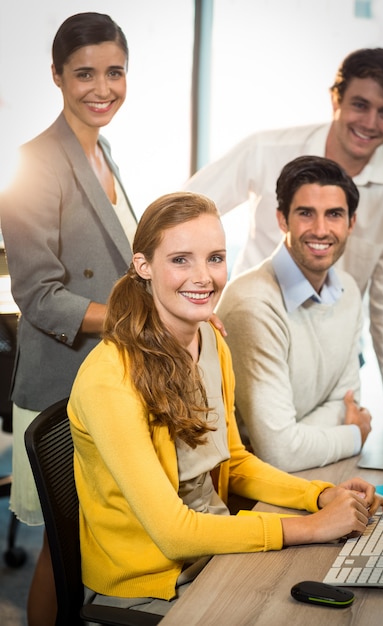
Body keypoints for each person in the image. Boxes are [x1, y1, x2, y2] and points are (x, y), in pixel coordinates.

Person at [67, 191, 383, 617]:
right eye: (181, 259)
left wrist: (321, 495)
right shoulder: (109, 378)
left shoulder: (211, 342)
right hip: (154, 586)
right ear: (144, 266)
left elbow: (234, 460)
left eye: (215, 258)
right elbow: (173, 534)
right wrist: (309, 527)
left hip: (217, 552)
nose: (204, 277)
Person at [184, 47, 383, 430]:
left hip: (334, 345)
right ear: (335, 99)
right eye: (360, 105)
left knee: (330, 449)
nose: (370, 122)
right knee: (257, 442)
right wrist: (196, 298)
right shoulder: (265, 149)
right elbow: (186, 213)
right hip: (255, 330)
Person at [0, 12, 135, 626]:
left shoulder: (103, 150)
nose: (101, 88)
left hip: (103, 379)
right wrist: (140, 323)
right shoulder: (35, 163)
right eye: (84, 74)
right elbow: (38, 294)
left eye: (114, 72)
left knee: (90, 543)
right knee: (62, 549)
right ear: (56, 76)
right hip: (61, 384)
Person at [216, 156, 372, 472]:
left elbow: (345, 403)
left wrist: (298, 436)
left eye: (334, 215)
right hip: (247, 493)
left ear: (350, 223)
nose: (320, 229)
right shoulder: (253, 304)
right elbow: (278, 453)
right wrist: (354, 435)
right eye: (305, 213)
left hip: (312, 472)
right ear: (282, 220)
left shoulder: (349, 291)